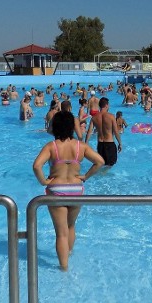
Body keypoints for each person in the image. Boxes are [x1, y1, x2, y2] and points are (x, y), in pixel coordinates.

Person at [32, 111, 105, 270]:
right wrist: (85, 176)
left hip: (56, 189)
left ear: (56, 126)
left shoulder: (52, 146)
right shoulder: (81, 146)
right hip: (76, 189)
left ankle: (64, 269)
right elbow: (100, 161)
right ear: (72, 127)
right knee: (71, 226)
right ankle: (69, 254)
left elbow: (37, 166)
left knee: (61, 233)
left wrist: (43, 181)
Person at [85, 97, 122, 167]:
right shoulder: (111, 116)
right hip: (110, 144)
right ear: (106, 105)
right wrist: (120, 143)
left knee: (102, 164)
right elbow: (116, 131)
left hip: (100, 145)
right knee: (110, 166)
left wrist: (86, 144)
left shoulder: (94, 117)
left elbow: (89, 132)